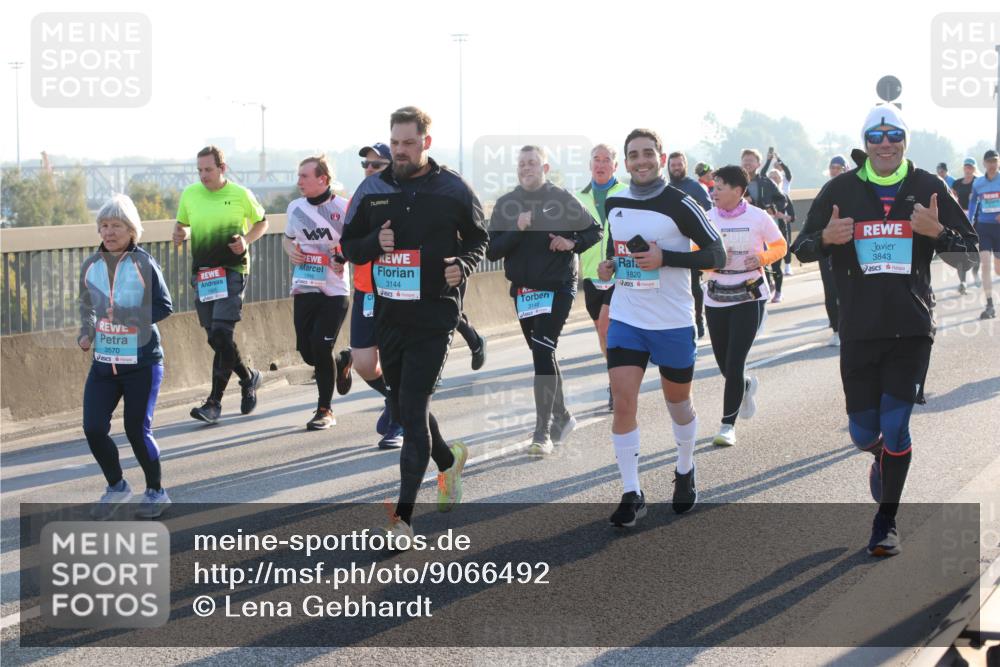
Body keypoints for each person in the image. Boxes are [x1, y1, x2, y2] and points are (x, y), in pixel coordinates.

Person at [791, 104, 977, 556]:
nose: (885, 143)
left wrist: (937, 234)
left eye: (894, 134)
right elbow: (801, 248)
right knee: (862, 433)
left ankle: (886, 521)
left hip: (910, 327)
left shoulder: (929, 188)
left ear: (905, 139)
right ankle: (879, 456)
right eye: (876, 136)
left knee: (896, 427)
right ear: (866, 142)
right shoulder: (841, 189)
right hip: (858, 328)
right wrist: (826, 240)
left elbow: (969, 255)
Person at [341, 106, 488, 544]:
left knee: (413, 408)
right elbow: (349, 246)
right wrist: (374, 243)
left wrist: (463, 263)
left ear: (426, 141)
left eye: (408, 143)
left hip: (435, 316)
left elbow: (482, 238)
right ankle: (448, 460)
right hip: (390, 315)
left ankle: (402, 519)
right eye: (395, 142)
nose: (400, 151)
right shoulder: (373, 189)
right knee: (408, 408)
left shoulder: (453, 188)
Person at [597, 128, 726, 527]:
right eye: (633, 154)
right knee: (623, 402)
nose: (641, 161)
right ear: (625, 160)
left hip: (672, 322)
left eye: (648, 153)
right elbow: (614, 247)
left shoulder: (681, 202)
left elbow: (716, 253)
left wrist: (666, 258)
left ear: (660, 156)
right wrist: (610, 266)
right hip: (628, 316)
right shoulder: (615, 200)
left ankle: (685, 469)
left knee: (678, 405)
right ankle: (631, 492)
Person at [487, 145, 601, 454]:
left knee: (542, 351)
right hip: (524, 292)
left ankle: (543, 431)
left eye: (533, 163)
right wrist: (517, 228)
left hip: (558, 287)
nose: (527, 168)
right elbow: (492, 251)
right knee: (543, 355)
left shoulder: (561, 198)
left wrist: (571, 242)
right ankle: (563, 416)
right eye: (522, 163)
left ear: (545, 169)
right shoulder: (507, 204)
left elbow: (595, 231)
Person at [79, 195, 174, 519]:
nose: (109, 231)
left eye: (116, 225)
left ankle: (156, 491)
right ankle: (117, 486)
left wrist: (131, 315)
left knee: (136, 430)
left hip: (142, 363)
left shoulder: (143, 263)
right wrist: (87, 331)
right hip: (105, 363)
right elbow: (87, 307)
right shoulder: (90, 265)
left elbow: (164, 305)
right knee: (93, 427)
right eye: (104, 225)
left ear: (131, 230)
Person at [173, 146, 268, 424]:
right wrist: (180, 233)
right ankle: (249, 378)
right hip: (204, 274)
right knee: (214, 337)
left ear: (222, 169)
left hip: (232, 270)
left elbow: (262, 223)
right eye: (199, 170)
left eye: (208, 170)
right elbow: (185, 226)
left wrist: (246, 241)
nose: (203, 175)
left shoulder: (240, 194)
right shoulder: (190, 194)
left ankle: (213, 403)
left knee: (222, 335)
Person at [702, 166, 787, 446]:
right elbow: (694, 250)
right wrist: (708, 261)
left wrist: (762, 258)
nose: (714, 191)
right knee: (725, 364)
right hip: (716, 294)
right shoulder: (708, 217)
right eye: (713, 186)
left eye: (720, 187)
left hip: (749, 294)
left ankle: (727, 425)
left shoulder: (758, 217)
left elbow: (780, 245)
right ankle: (746, 385)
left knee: (736, 361)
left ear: (738, 191)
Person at [340, 142, 405, 448]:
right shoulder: (361, 195)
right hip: (366, 288)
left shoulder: (406, 195)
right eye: (365, 164)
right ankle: (394, 399)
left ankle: (399, 421)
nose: (368, 169)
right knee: (364, 362)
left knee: (395, 358)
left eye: (376, 165)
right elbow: (348, 241)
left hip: (399, 288)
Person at [282, 155, 352, 430]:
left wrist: (342, 255)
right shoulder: (295, 208)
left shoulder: (343, 208)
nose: (299, 181)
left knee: (321, 345)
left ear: (322, 179)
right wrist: (292, 252)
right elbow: (288, 240)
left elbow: (355, 242)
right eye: (298, 176)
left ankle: (325, 410)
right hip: (305, 285)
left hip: (335, 290)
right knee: (308, 352)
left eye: (304, 176)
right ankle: (341, 360)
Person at [577, 144, 628, 412]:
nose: (600, 164)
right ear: (590, 165)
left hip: (618, 271)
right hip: (589, 273)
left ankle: (616, 386)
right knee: (601, 330)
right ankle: (616, 376)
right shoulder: (577, 197)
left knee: (607, 326)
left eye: (606, 160)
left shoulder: (625, 193)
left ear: (615, 166)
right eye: (596, 159)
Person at [667, 151, 712, 338]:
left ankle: (698, 322)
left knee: (693, 286)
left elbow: (710, 210)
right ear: (668, 167)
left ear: (685, 165)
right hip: (669, 245)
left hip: (692, 246)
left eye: (679, 164)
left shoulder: (695, 187)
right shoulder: (664, 187)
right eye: (673, 165)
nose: (676, 168)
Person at [817, 156, 847, 346]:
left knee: (849, 289)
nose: (835, 170)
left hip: (850, 246)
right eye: (832, 167)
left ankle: (850, 325)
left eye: (838, 167)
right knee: (830, 291)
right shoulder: (825, 191)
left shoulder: (855, 189)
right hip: (829, 247)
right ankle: (836, 330)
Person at [968, 149, 1000, 319]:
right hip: (984, 227)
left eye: (995, 161)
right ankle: (990, 305)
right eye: (989, 161)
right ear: (984, 164)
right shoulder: (978, 183)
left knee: (998, 269)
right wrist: (968, 222)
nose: (992, 164)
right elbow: (972, 203)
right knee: (985, 264)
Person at [952, 157, 980, 294]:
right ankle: (962, 282)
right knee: (960, 250)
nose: (968, 169)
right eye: (966, 167)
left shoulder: (978, 182)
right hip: (960, 219)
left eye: (971, 167)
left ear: (974, 168)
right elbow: (951, 198)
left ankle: (975, 274)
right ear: (963, 168)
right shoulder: (957, 183)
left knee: (975, 251)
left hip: (976, 219)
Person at [767, 167, 797, 281]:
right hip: (766, 228)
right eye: (771, 178)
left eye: (776, 177)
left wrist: (783, 216)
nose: (773, 180)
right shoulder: (763, 197)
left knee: (784, 245)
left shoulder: (784, 196)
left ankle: (787, 266)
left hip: (781, 226)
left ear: (780, 180)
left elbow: (792, 217)